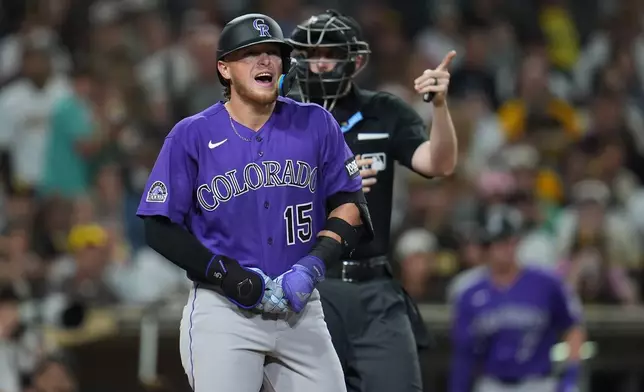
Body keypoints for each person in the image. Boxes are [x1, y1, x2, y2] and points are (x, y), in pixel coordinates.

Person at [136, 13, 374, 392]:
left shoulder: (315, 123)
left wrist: (313, 267)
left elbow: (350, 204)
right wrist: (224, 273)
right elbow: (158, 226)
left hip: (300, 309)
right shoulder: (192, 134)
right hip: (224, 310)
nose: (265, 61)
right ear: (224, 69)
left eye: (273, 53)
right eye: (250, 54)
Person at [286, 9, 458, 392]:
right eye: (309, 54)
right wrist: (332, 186)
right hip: (306, 284)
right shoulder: (280, 117)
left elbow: (438, 162)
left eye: (328, 53)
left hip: (372, 284)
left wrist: (440, 106)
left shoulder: (384, 111)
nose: (318, 64)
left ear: (356, 60)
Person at [448, 207, 585, 392]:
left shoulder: (546, 283)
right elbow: (464, 354)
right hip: (492, 384)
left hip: (539, 383)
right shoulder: (469, 293)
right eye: (499, 242)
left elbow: (573, 328)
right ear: (486, 247)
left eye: (510, 240)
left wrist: (570, 376)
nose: (506, 248)